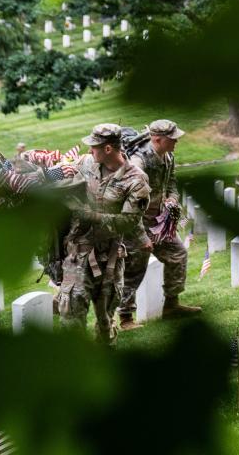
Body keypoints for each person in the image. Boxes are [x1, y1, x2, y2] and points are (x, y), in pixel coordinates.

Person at [57, 124, 150, 345]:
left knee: (105, 321)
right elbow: (65, 177)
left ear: (108, 149)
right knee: (69, 314)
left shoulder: (136, 180)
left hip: (110, 257)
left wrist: (91, 216)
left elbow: (128, 222)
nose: (90, 151)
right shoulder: (88, 164)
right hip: (77, 253)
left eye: (94, 147)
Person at [118, 119, 200, 329]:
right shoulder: (139, 162)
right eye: (172, 139)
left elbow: (171, 182)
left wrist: (172, 198)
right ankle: (125, 318)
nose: (176, 142)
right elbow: (130, 202)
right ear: (157, 139)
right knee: (134, 268)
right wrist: (141, 236)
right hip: (137, 222)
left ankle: (172, 305)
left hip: (159, 221)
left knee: (178, 254)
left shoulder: (168, 155)